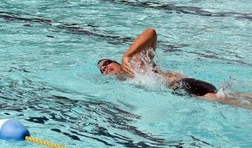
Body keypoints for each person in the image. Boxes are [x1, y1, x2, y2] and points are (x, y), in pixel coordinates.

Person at [97, 28, 252, 109]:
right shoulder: (126, 82)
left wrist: (127, 55)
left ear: (116, 62)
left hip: (185, 86)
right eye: (102, 70)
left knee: (234, 103)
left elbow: (151, 32)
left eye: (107, 63)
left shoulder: (134, 63)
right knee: (234, 96)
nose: (105, 69)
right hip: (187, 86)